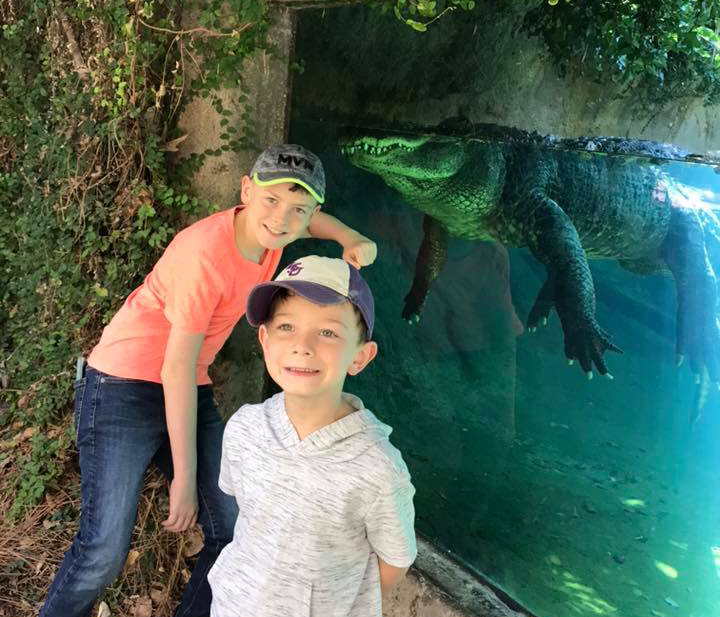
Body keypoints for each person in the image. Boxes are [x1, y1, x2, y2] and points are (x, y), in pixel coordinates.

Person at [40, 145, 378, 617]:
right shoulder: (205, 254)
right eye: (271, 201)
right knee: (102, 551)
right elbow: (173, 367)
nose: (281, 219)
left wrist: (348, 236)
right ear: (245, 191)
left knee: (233, 528)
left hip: (185, 385)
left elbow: (303, 217)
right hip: (121, 386)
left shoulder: (275, 232)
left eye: (297, 210)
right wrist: (184, 479)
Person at [208, 255, 417, 617]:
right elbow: (249, 515)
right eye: (286, 326)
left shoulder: (377, 467)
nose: (302, 345)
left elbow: (395, 561)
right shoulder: (244, 428)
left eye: (328, 332)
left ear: (361, 357)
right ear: (264, 339)